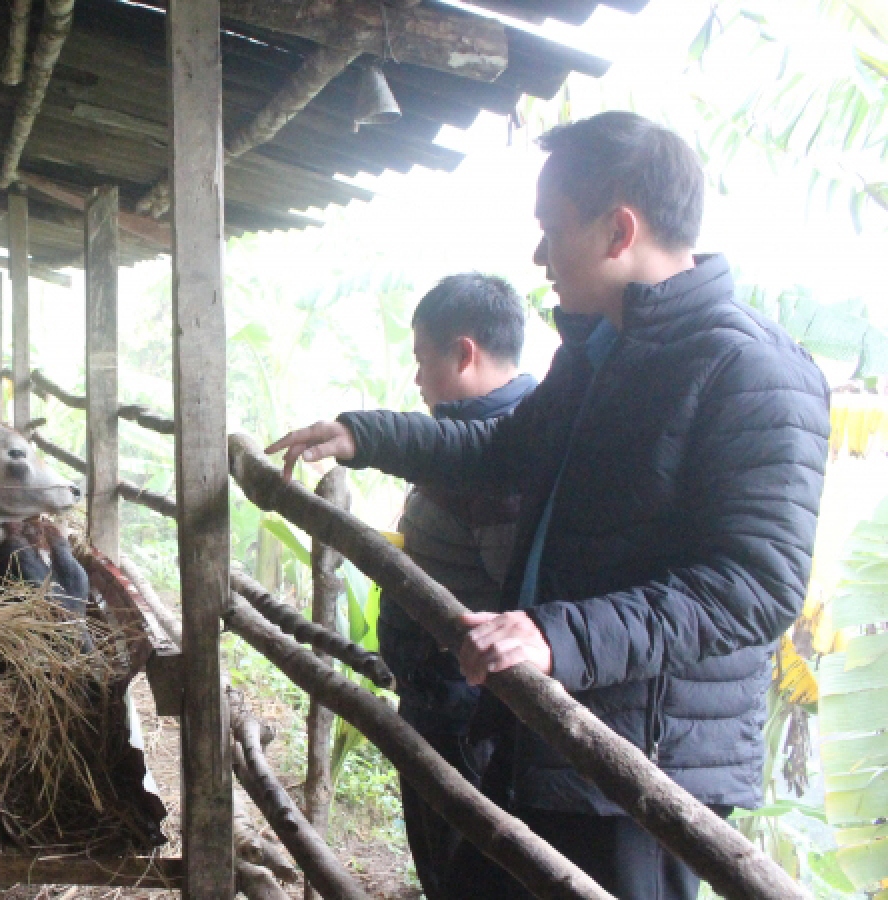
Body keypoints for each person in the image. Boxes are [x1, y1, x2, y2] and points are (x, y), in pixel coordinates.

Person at [268, 111, 829, 900]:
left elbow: (752, 588)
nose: (538, 254)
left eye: (550, 228)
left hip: (638, 772)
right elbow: (502, 450)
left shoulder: (752, 369)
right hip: (545, 730)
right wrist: (364, 436)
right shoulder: (597, 353)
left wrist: (556, 634)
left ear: (617, 230)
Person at [382, 274, 537, 900]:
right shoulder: (474, 439)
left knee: (456, 865)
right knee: (441, 856)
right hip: (436, 687)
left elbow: (511, 579)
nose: (418, 379)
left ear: (464, 354)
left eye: (424, 360)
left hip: (461, 701)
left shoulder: (501, 457)